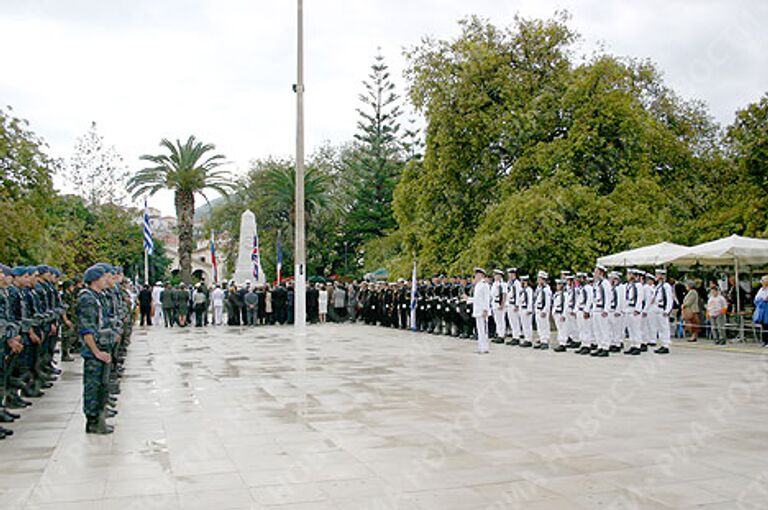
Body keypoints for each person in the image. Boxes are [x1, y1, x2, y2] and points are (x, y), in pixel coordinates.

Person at [78, 265, 114, 434]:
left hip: (102, 347)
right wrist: (96, 352)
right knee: (93, 386)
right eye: (104, 277)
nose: (107, 280)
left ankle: (98, 417)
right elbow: (87, 330)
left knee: (102, 385)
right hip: (94, 352)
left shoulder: (98, 296)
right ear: (95, 280)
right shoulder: (87, 298)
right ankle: (92, 420)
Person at [471, 268, 490, 354]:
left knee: (484, 329)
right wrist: (468, 299)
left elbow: (486, 298)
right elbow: (477, 299)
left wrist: (486, 309)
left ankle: (485, 348)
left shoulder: (484, 285)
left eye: (477, 274)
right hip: (477, 310)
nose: (475, 276)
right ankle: (481, 347)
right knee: (480, 330)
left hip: (482, 310)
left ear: (481, 275)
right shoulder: (478, 285)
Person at [533, 271, 551, 349]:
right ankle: (541, 339)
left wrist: (545, 311)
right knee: (539, 326)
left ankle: (545, 341)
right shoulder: (539, 288)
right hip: (538, 309)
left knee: (544, 326)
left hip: (543, 310)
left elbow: (548, 301)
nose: (538, 280)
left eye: (539, 278)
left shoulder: (546, 289)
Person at [490, 269, 507, 343]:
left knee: (501, 320)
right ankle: (498, 333)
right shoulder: (494, 284)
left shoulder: (503, 284)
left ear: (500, 276)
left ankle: (501, 335)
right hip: (494, 304)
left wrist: (502, 304)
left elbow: (504, 294)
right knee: (497, 320)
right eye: (495, 275)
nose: (495, 276)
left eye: (496, 275)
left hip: (499, 304)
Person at [753, 275, 768, 347]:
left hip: (767, 310)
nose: (762, 282)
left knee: (767, 326)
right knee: (763, 326)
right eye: (762, 281)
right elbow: (756, 300)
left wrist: (763, 300)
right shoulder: (761, 290)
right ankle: (764, 341)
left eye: (764, 280)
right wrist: (762, 300)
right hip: (761, 311)